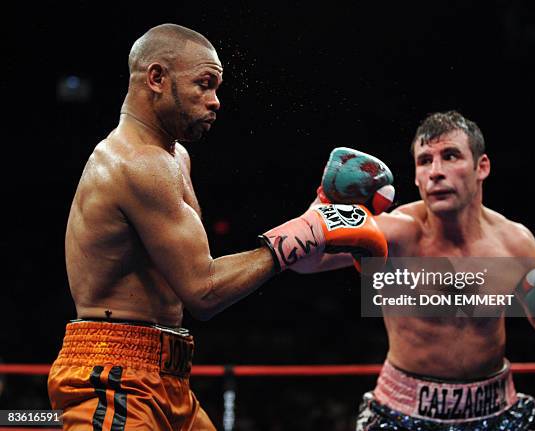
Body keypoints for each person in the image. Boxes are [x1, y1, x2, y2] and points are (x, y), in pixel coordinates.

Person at [47, 23, 388, 430]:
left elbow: (209, 269)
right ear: (157, 78)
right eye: (204, 85)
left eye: (217, 88)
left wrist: (316, 220)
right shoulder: (136, 164)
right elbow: (203, 290)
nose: (215, 102)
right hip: (113, 379)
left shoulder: (175, 159)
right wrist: (310, 228)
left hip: (166, 376)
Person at [295, 111, 535, 430]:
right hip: (401, 412)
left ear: (482, 167)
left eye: (450, 156)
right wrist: (324, 201)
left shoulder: (515, 242)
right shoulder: (393, 233)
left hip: (494, 410)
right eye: (424, 161)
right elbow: (304, 262)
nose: (436, 172)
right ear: (416, 177)